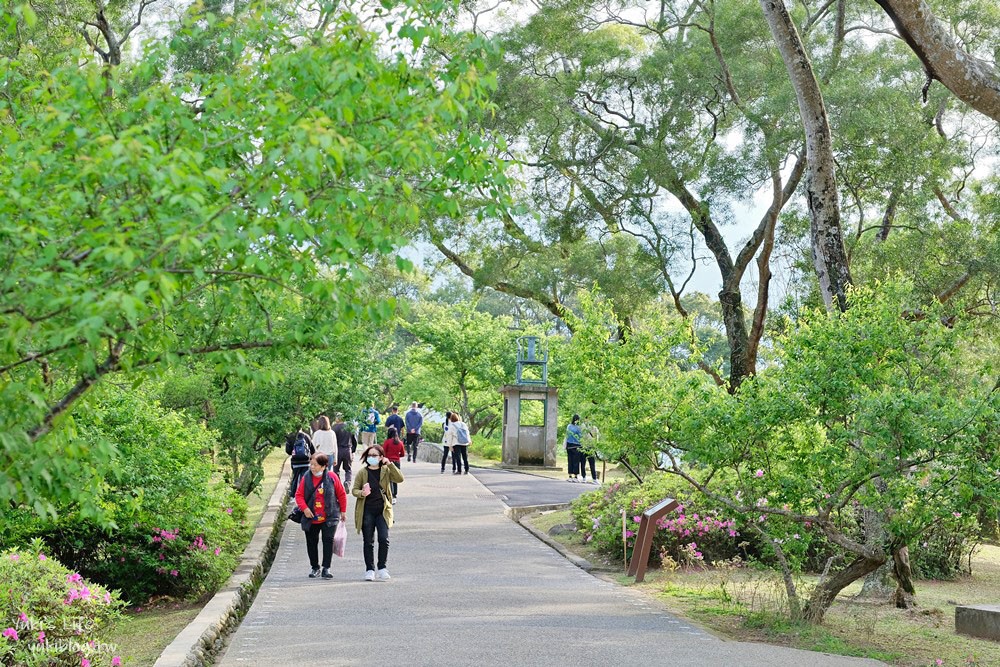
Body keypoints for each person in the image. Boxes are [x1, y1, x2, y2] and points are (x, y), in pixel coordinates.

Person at [352, 444, 403, 581]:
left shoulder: (386, 470)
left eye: (374, 455)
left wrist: (390, 464)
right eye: (369, 455)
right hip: (367, 510)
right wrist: (362, 493)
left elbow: (399, 479)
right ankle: (369, 569)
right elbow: (354, 490)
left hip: (383, 510)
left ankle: (382, 567)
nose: (371, 458)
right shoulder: (363, 472)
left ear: (381, 457)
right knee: (368, 541)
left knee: (384, 539)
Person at [295, 453, 347, 579]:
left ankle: (326, 568)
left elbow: (341, 494)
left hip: (329, 516)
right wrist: (305, 509)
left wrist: (343, 511)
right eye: (311, 464)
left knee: (328, 541)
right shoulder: (306, 477)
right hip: (311, 517)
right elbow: (299, 495)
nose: (312, 467)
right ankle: (315, 567)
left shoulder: (332, 477)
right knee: (311, 542)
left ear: (324, 466)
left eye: (315, 465)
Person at [285, 426, 315, 496]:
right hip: (306, 462)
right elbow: (312, 450)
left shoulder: (291, 437)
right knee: (305, 477)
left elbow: (288, 451)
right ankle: (306, 492)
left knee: (295, 477)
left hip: (295, 462)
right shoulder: (306, 436)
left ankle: (292, 493)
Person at [332, 413, 357, 487]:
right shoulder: (349, 427)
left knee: (336, 470)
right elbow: (354, 441)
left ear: (337, 418)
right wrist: (353, 451)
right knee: (348, 469)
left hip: (338, 450)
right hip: (347, 450)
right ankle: (347, 482)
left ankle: (338, 485)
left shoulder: (334, 428)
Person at [382, 427, 406, 502]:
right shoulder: (400, 442)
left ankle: (390, 494)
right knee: (396, 478)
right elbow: (402, 454)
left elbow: (383, 451)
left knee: (389, 479)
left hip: (388, 462)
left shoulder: (387, 442)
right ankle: (394, 494)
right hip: (397, 462)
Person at [579, 419, 599, 484]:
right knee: (591, 464)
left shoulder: (582, 426)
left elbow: (580, 436)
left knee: (583, 463)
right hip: (590, 447)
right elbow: (596, 437)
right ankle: (594, 479)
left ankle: (584, 478)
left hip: (584, 446)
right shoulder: (594, 427)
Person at [565, 414, 583, 482]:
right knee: (576, 461)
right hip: (576, 445)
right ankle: (575, 476)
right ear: (578, 420)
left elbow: (567, 435)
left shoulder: (569, 426)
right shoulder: (578, 428)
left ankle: (570, 476)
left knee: (570, 461)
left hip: (569, 445)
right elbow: (580, 436)